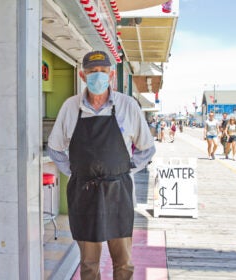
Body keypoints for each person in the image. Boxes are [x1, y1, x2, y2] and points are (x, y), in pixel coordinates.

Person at [47, 50, 155, 280]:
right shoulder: (70, 107)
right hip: (83, 193)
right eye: (92, 72)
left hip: (119, 193)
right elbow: (55, 148)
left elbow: (147, 149)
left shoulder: (128, 106)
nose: (98, 76)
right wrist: (74, 172)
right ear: (82, 75)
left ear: (112, 75)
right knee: (88, 263)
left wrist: (124, 170)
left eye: (103, 72)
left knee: (124, 263)